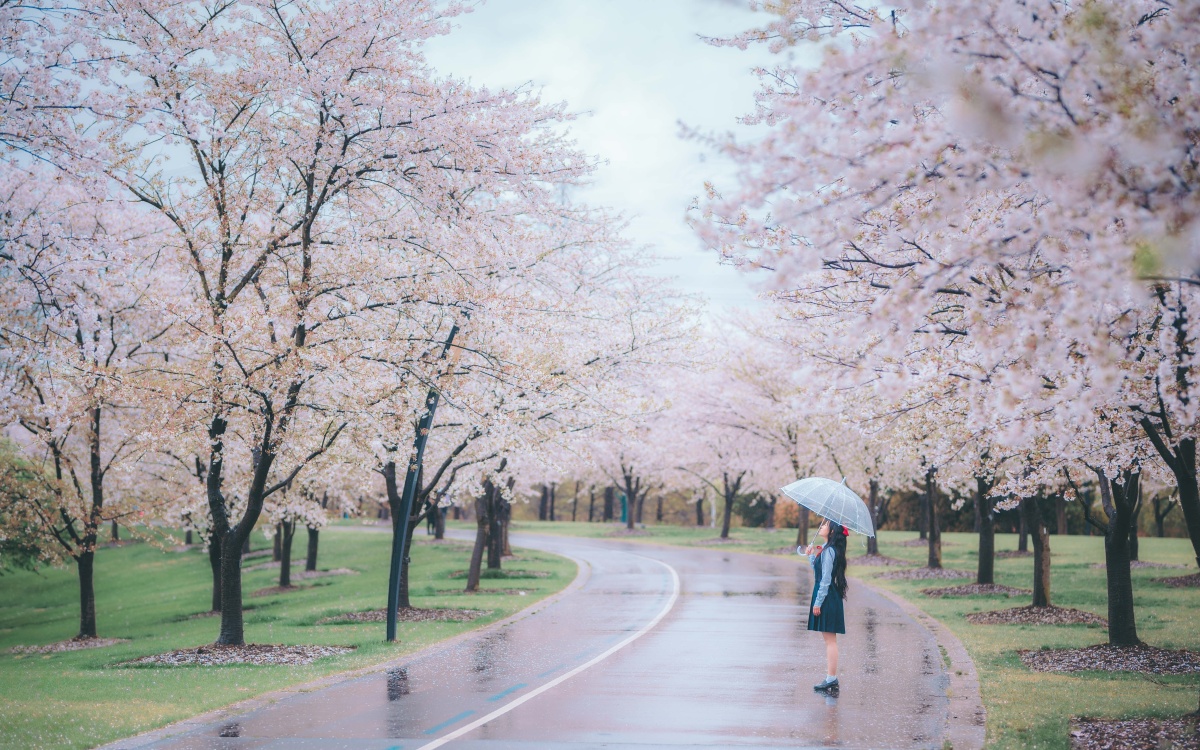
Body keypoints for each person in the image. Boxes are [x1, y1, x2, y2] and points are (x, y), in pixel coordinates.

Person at [801, 518, 848, 692]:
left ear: (833, 531)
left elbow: (826, 580)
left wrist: (818, 602)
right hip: (828, 595)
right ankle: (831, 678)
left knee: (830, 641)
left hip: (827, 596)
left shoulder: (829, 551)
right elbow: (819, 572)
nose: (822, 526)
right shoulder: (828, 550)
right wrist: (811, 556)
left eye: (826, 525)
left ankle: (831, 678)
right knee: (829, 640)